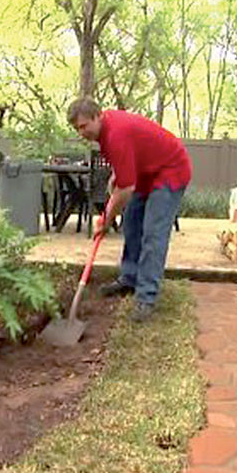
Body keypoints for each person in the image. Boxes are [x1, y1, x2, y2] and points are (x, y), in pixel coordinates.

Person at [67, 97, 191, 322]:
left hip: (170, 170)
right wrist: (118, 173)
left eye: (84, 126)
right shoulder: (106, 129)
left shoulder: (115, 134)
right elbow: (130, 158)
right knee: (132, 225)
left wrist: (106, 219)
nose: (81, 132)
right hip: (147, 173)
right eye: (77, 128)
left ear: (98, 116)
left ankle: (146, 297)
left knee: (153, 234)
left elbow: (125, 189)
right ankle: (130, 279)